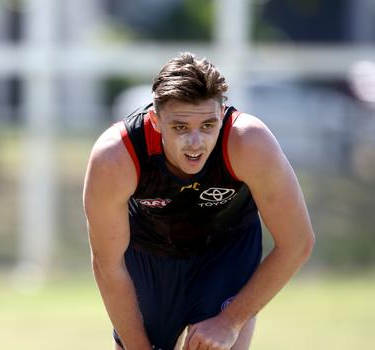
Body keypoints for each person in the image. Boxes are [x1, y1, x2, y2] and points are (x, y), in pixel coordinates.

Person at [83, 52, 315, 350]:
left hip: (225, 250)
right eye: (180, 127)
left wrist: (230, 321)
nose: (196, 143)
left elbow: (297, 243)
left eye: (208, 125)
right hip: (150, 254)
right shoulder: (117, 156)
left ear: (221, 116)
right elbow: (108, 265)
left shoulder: (249, 143)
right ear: (155, 120)